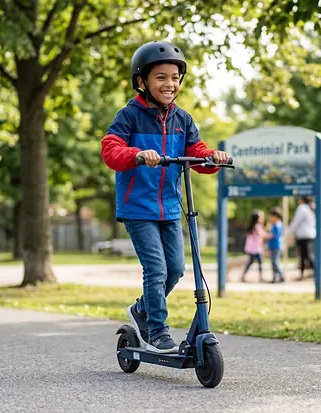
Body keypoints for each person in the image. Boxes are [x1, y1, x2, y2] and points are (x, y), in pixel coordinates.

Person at [100, 40, 230, 354]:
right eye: (160, 77)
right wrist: (137, 155)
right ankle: (156, 330)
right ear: (142, 81)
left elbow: (196, 154)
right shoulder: (129, 115)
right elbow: (111, 150)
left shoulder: (182, 119)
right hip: (138, 208)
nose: (169, 83)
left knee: (176, 269)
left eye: (174, 77)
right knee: (156, 269)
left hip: (170, 208)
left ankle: (142, 309)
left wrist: (212, 157)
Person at [287, 196, 316, 280]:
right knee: (306, 255)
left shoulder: (302, 208)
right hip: (310, 234)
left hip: (303, 235)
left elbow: (296, 221)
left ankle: (316, 272)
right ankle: (304, 273)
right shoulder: (311, 208)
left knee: (306, 255)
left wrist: (289, 232)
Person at [241, 210, 265, 283]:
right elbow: (262, 234)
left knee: (251, 262)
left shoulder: (253, 226)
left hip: (252, 248)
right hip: (255, 249)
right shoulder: (257, 226)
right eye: (261, 217)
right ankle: (261, 277)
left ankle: (243, 276)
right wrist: (270, 235)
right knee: (259, 262)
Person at [265, 207, 285, 283]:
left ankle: (281, 276)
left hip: (276, 246)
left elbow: (272, 235)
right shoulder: (275, 225)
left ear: (275, 216)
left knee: (275, 262)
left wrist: (265, 235)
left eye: (271, 216)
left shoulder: (277, 225)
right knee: (273, 262)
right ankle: (275, 277)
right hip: (273, 246)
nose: (270, 218)